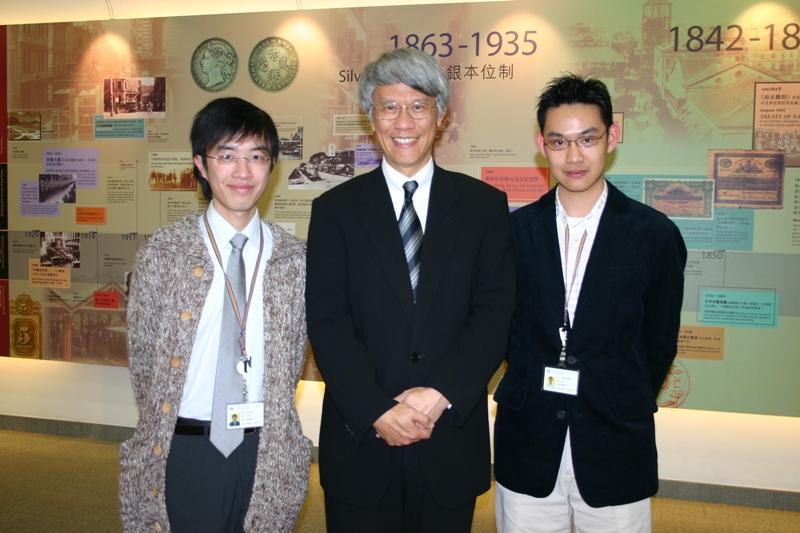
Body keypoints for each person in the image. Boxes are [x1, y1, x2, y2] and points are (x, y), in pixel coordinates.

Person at [306, 47, 515, 533]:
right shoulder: (335, 211)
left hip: (449, 436)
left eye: (419, 106)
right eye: (389, 107)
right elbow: (328, 322)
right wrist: (378, 410)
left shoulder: (483, 207)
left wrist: (441, 392)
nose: (405, 121)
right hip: (361, 441)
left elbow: (494, 313)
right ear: (370, 117)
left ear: (441, 116)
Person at [493, 74, 687, 532]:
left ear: (612, 137)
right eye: (559, 141)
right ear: (542, 144)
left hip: (615, 437)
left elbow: (659, 342)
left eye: (588, 139)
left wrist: (623, 396)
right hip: (529, 436)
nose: (574, 156)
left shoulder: (653, 235)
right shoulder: (513, 234)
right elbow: (502, 330)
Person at [119, 97, 311, 533]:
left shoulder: (294, 259)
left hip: (267, 451)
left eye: (256, 156)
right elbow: (144, 362)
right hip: (183, 447)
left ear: (272, 166)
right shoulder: (164, 252)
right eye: (226, 156)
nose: (242, 172)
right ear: (201, 166)